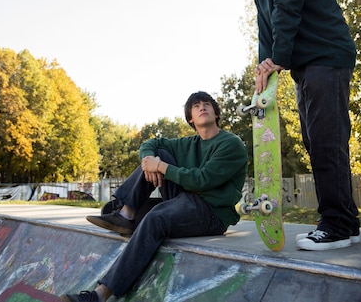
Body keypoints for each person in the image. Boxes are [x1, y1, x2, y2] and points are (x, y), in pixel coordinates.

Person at [220, 0, 360, 251]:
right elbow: (265, 32)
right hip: (306, 67)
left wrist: (277, 58)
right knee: (316, 142)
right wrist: (263, 70)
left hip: (327, 58)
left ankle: (336, 226)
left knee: (327, 141)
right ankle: (345, 223)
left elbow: (287, 8)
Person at [62, 91, 247, 302]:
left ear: (216, 113)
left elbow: (202, 179)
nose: (202, 107)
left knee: (155, 217)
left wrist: (159, 166)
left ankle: (100, 294)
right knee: (155, 156)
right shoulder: (189, 143)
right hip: (185, 199)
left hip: (212, 212)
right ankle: (127, 212)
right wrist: (150, 159)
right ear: (190, 119)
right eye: (196, 106)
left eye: (207, 104)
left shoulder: (230, 143)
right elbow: (151, 143)